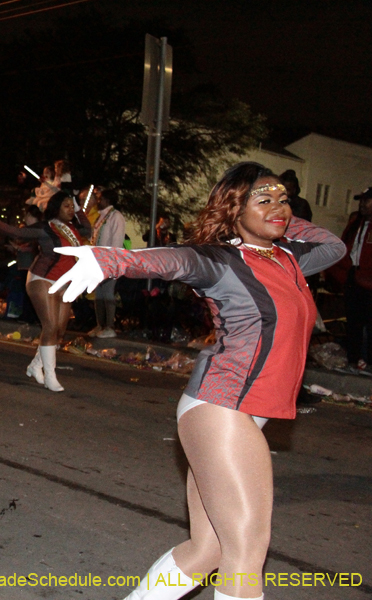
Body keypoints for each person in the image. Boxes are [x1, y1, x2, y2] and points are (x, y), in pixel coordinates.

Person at [47, 162, 345, 600]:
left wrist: (271, 212)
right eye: (264, 200)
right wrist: (110, 258)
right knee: (247, 552)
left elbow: (334, 244)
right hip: (222, 409)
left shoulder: (289, 257)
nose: (279, 208)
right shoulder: (219, 260)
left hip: (235, 413)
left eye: (283, 200)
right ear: (232, 208)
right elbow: (170, 259)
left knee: (208, 550)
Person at [0, 192, 91, 391]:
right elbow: (17, 233)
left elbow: (88, 229)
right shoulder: (46, 227)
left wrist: (79, 209)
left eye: (72, 206)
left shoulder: (74, 228)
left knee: (60, 331)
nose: (70, 209)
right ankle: (50, 376)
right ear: (56, 208)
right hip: (42, 278)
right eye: (67, 206)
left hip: (64, 281)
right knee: (50, 325)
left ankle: (36, 365)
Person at [328, 186, 372, 370]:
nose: (362, 204)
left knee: (369, 324)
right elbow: (345, 247)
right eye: (361, 200)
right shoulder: (356, 222)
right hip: (353, 277)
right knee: (353, 321)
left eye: (366, 200)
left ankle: (368, 361)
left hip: (369, 281)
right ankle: (353, 360)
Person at [89, 187, 126, 338]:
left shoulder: (116, 217)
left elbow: (116, 242)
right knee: (99, 294)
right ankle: (100, 325)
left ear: (108, 201)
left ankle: (110, 326)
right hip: (97, 262)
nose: (98, 201)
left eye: (101, 199)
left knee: (108, 294)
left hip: (109, 262)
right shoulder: (101, 218)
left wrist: (110, 262)